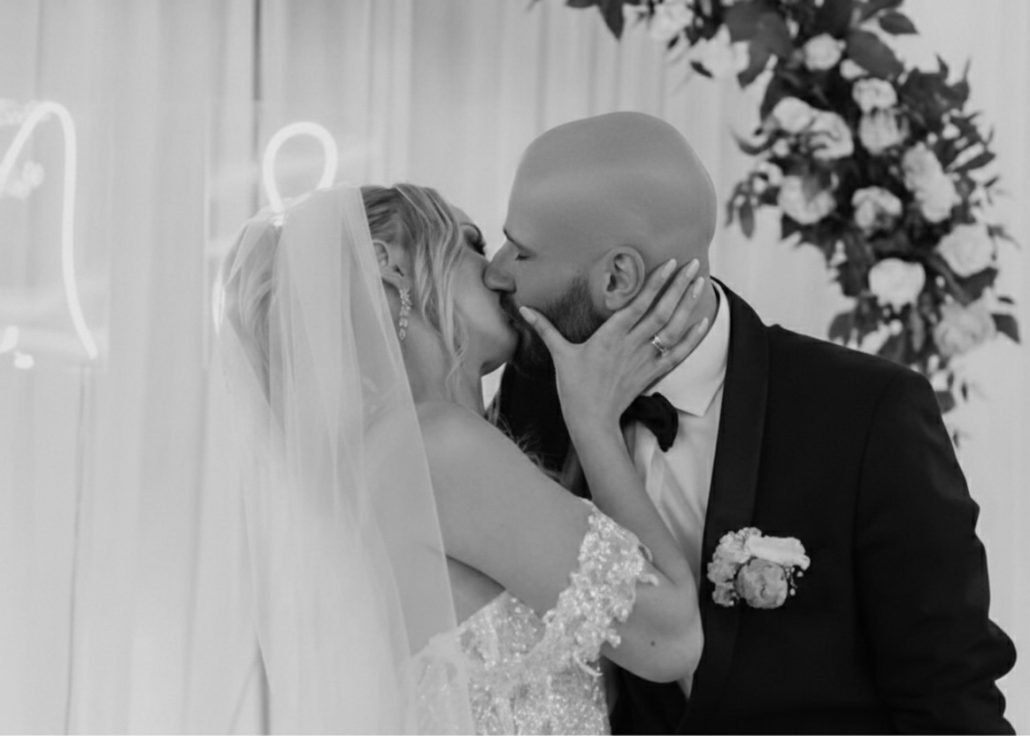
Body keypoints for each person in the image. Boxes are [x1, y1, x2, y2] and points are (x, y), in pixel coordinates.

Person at [487, 111, 1017, 734]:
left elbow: (952, 702)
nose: (496, 270)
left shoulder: (870, 415)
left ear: (617, 278)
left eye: (521, 250)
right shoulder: (535, 389)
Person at [213, 181, 711, 733]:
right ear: (389, 264)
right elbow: (672, 639)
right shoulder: (440, 449)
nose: (499, 273)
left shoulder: (370, 469)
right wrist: (594, 423)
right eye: (471, 244)